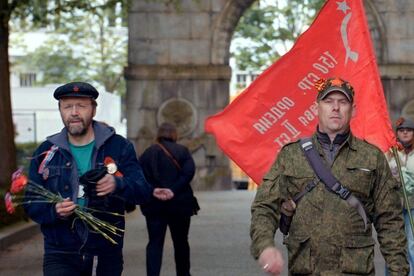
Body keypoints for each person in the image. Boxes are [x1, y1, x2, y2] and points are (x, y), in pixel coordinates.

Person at [250, 77, 409, 275]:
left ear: (354, 110)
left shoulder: (372, 157)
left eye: (343, 102)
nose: (336, 108)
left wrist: (398, 271)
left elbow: (390, 221)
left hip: (355, 270)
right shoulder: (291, 155)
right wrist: (264, 246)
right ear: (316, 108)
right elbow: (265, 207)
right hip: (305, 269)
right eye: (328, 101)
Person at [24, 82, 153, 276]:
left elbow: (143, 192)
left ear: (93, 109)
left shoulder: (119, 147)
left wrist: (117, 184)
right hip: (60, 251)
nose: (74, 112)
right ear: (60, 110)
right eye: (67, 106)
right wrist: (54, 211)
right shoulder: (45, 152)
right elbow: (30, 202)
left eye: (81, 106)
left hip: (105, 251)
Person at [139, 122, 196, 276]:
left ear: (158, 134)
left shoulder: (148, 152)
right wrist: (173, 189)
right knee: (181, 242)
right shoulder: (183, 151)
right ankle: (183, 274)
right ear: (174, 134)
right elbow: (189, 173)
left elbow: (140, 176)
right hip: (180, 205)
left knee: (155, 243)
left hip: (154, 205)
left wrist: (154, 190)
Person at [386, 117, 414, 275]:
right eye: (401, 130)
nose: (404, 132)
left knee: (411, 245)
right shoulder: (390, 153)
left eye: (408, 130)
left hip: (413, 206)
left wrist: (401, 172)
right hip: (394, 208)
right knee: (393, 247)